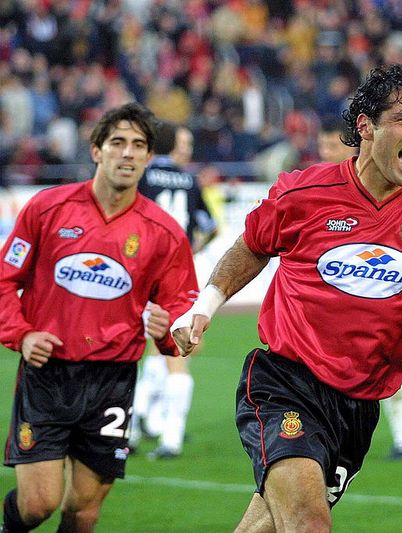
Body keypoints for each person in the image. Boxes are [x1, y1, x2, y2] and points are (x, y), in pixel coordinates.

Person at [170, 64, 402, 532]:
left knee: (267, 526)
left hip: (358, 406)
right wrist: (203, 308)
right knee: (309, 523)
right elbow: (252, 246)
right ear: (366, 126)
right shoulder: (304, 192)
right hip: (286, 382)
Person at [0, 102, 198, 532]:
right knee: (38, 504)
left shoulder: (165, 233)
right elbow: (4, 278)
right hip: (49, 374)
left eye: (138, 145)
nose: (128, 153)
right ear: (96, 151)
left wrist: (169, 330)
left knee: (84, 510)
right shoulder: (47, 209)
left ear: (149, 157)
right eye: (118, 142)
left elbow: (184, 309)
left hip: (113, 380)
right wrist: (22, 334)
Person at [318, 115, 402, 461]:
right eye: (321, 145)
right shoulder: (318, 190)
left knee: (384, 366)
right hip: (331, 308)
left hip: (375, 301)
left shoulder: (380, 190)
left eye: (330, 145)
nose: (325, 152)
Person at [130, 121, 218, 459]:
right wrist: (192, 250)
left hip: (141, 270)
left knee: (133, 347)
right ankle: (167, 435)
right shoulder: (190, 180)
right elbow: (210, 226)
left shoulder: (142, 176)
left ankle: (132, 427)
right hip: (178, 274)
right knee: (175, 351)